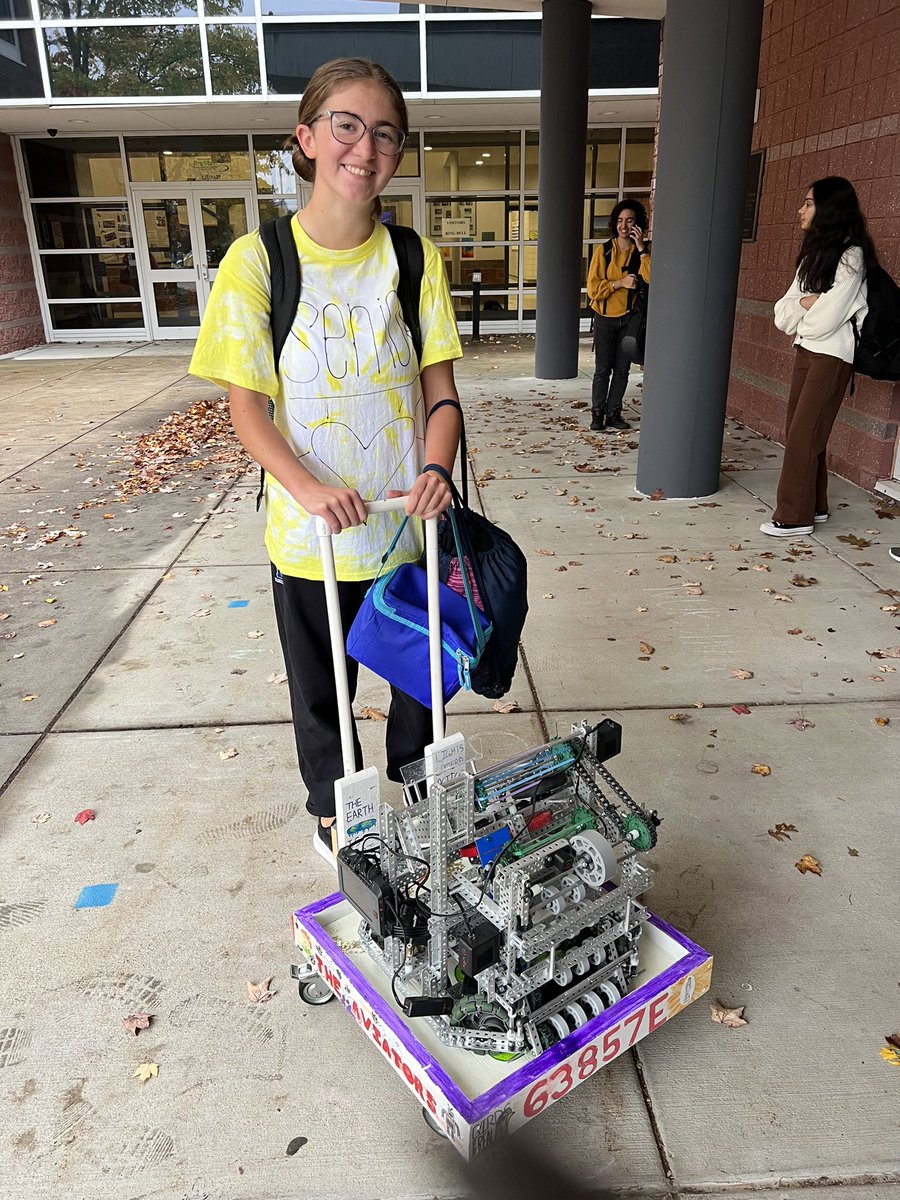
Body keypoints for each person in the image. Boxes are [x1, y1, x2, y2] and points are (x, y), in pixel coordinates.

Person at [189, 58, 463, 865]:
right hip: (311, 538)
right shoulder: (257, 261)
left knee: (418, 679)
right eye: (346, 124)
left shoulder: (413, 261)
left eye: (385, 133)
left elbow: (439, 395)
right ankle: (338, 815)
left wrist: (437, 471)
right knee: (325, 697)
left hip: (407, 529)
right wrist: (307, 489)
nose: (364, 146)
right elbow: (247, 408)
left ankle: (418, 793)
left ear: (398, 152)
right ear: (306, 139)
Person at [762, 176, 874, 537]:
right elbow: (783, 314)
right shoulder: (813, 255)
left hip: (832, 356)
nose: (801, 209)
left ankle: (794, 517)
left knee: (802, 435)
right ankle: (816, 505)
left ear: (829, 208)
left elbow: (825, 322)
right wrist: (810, 305)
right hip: (806, 351)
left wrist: (806, 309)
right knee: (804, 431)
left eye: (808, 203)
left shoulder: (852, 256)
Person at [585, 199, 651, 432]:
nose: (624, 226)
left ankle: (614, 413)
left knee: (622, 370)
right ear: (615, 223)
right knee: (603, 369)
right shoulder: (603, 251)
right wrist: (619, 283)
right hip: (605, 318)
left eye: (630, 221)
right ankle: (597, 414)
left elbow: (651, 277)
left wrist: (642, 248)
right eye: (620, 221)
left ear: (638, 224)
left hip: (629, 319)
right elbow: (593, 289)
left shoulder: (642, 251)